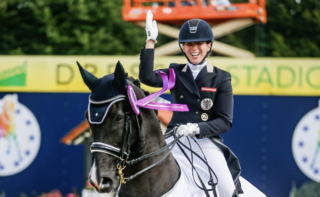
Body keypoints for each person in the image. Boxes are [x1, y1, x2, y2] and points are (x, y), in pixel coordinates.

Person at [139, 11, 266, 197]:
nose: (194, 48)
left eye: (199, 43)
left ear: (209, 45)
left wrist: (195, 128)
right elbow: (147, 77)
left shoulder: (221, 78)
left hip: (205, 142)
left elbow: (224, 121)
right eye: (189, 44)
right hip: (174, 139)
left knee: (226, 190)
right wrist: (150, 41)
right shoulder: (176, 72)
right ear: (183, 46)